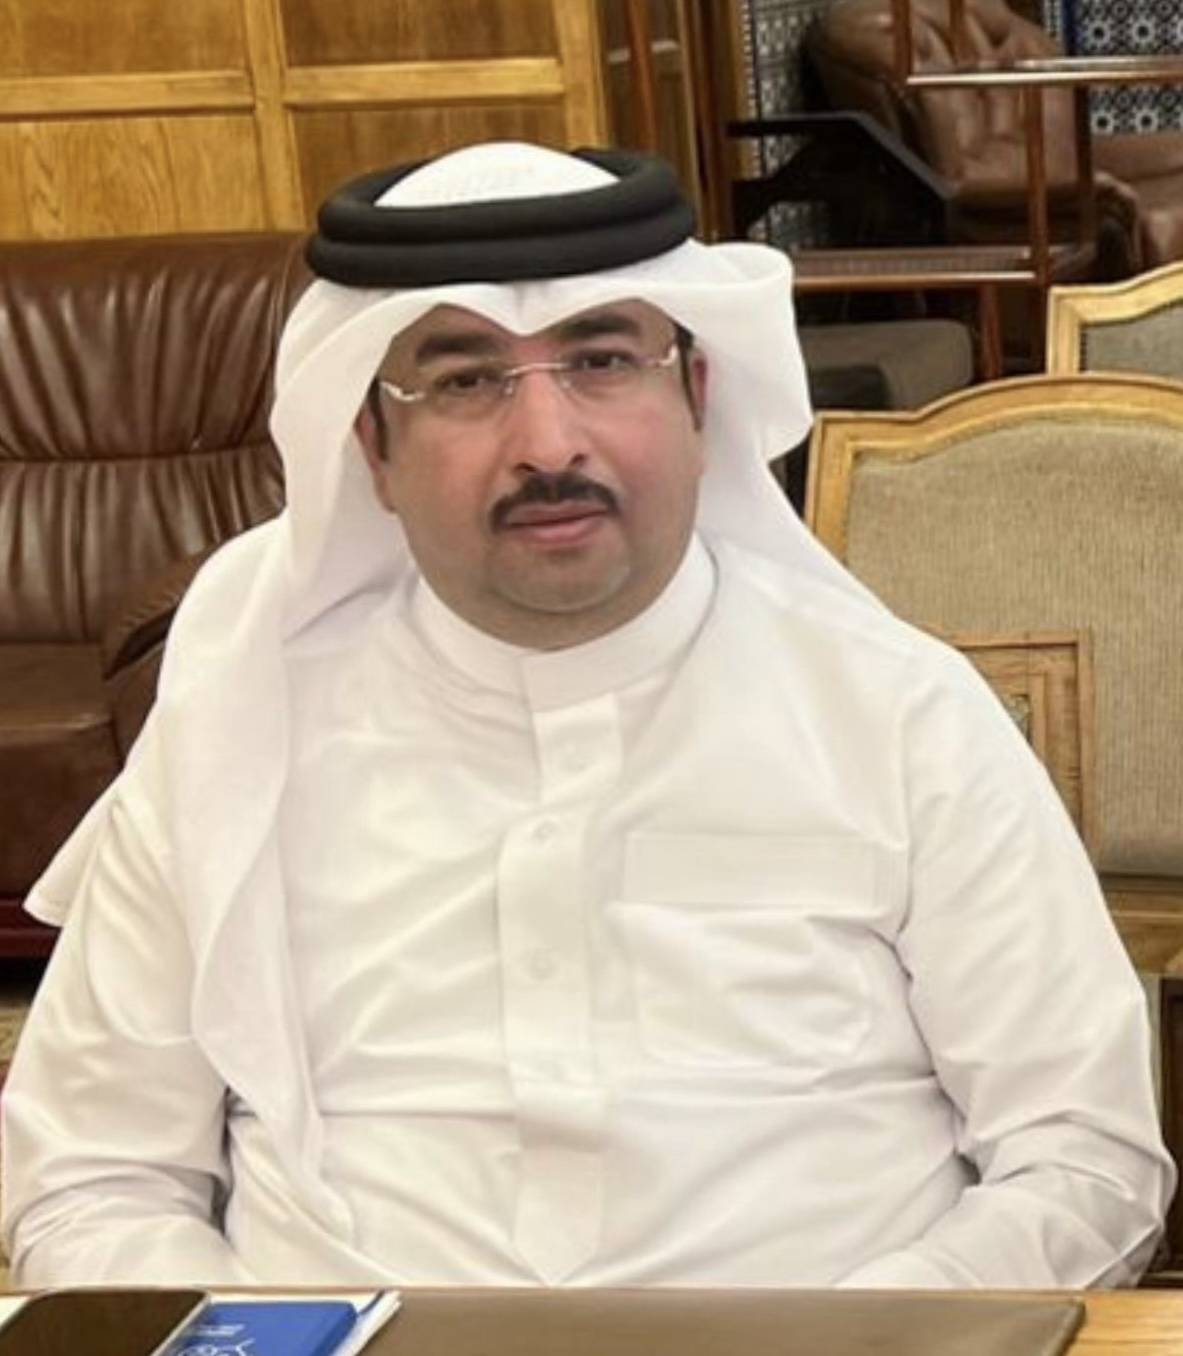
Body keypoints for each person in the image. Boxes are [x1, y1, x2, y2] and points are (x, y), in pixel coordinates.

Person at [0, 141, 1172, 1290]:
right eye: (464, 382)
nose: (548, 444)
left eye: (603, 360)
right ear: (372, 447)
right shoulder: (235, 735)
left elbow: (1081, 1157)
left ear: (697, 396)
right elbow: (90, 1181)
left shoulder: (899, 711)